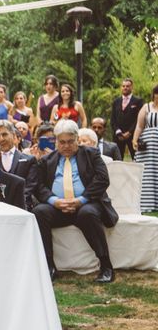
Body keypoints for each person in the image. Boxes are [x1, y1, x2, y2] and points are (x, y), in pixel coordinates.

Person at [33, 120, 118, 283]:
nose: (66, 146)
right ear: (56, 141)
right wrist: (53, 200)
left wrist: (82, 200)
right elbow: (39, 186)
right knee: (39, 212)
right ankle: (49, 266)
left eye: (70, 141)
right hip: (58, 207)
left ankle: (106, 266)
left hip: (87, 204)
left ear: (77, 139)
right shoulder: (47, 159)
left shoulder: (91, 154)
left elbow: (102, 179)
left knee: (87, 214)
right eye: (62, 142)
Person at [0, 120, 37, 210]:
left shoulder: (29, 160)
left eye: (4, 134)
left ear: (13, 135)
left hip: (21, 206)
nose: (1, 139)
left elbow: (30, 187)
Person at [132, 84, 158, 212]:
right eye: (156, 93)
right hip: (148, 145)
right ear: (153, 94)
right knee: (148, 172)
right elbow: (139, 126)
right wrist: (135, 140)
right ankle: (146, 203)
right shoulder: (146, 107)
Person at [112, 78, 144, 160]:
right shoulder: (116, 101)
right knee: (117, 159)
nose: (125, 88)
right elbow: (113, 119)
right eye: (123, 86)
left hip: (133, 135)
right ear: (121, 87)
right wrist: (118, 132)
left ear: (132, 87)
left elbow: (139, 119)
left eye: (127, 86)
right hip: (118, 136)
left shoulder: (138, 101)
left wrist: (129, 132)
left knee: (136, 157)